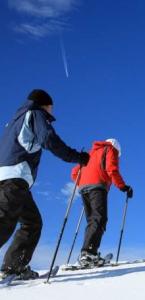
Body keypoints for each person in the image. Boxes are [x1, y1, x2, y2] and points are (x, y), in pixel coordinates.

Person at [0, 89, 90, 279]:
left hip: (12, 178)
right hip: (14, 178)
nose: (52, 112)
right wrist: (77, 157)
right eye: (51, 107)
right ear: (45, 104)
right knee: (4, 222)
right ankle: (12, 267)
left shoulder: (15, 120)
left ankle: (13, 267)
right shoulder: (35, 114)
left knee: (32, 223)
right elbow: (49, 139)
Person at [71, 138, 133, 267]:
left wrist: (82, 183)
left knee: (92, 220)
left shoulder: (91, 152)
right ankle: (88, 254)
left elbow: (75, 172)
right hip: (97, 186)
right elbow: (112, 169)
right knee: (99, 218)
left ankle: (88, 252)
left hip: (83, 188)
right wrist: (123, 187)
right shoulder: (110, 149)